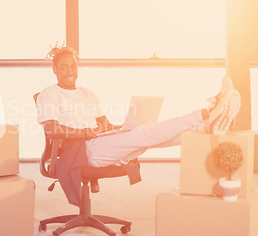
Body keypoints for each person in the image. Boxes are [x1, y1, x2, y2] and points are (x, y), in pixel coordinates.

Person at [36, 45, 242, 168]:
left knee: (151, 138)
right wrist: (87, 133)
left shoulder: (88, 94)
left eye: (73, 66)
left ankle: (206, 126)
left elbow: (103, 124)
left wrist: (119, 127)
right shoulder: (50, 94)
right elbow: (52, 130)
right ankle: (205, 113)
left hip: (99, 143)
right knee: (145, 134)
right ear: (55, 70)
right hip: (79, 151)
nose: (70, 70)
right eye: (63, 67)